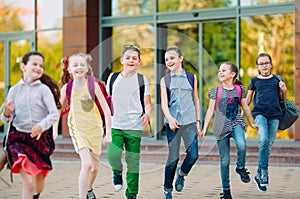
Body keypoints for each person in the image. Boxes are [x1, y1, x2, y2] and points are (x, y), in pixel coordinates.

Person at [1, 51, 60, 199]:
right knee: (28, 181)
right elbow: (5, 119)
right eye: (34, 64)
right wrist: (7, 113)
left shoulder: (44, 90)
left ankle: (35, 196)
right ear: (23, 67)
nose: (38, 68)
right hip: (18, 138)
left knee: (38, 181)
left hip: (40, 139)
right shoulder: (14, 90)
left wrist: (42, 125)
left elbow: (53, 114)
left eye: (41, 65)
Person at [54, 53, 112, 199]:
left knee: (94, 167)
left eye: (82, 65)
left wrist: (108, 133)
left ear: (87, 68)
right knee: (86, 164)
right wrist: (54, 129)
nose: (79, 67)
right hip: (78, 129)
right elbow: (58, 110)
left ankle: (89, 189)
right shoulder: (67, 88)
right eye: (75, 65)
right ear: (69, 69)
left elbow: (106, 110)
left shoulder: (93, 84)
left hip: (95, 128)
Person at [199, 62, 258, 199]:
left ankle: (240, 167)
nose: (220, 72)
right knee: (224, 161)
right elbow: (209, 110)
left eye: (223, 70)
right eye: (219, 71)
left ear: (232, 74)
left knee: (242, 144)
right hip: (220, 127)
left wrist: (251, 123)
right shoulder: (216, 91)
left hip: (236, 122)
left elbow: (245, 107)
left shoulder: (239, 90)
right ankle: (226, 191)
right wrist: (204, 128)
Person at [106, 44, 152, 199]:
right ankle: (117, 172)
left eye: (134, 58)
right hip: (116, 124)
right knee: (113, 155)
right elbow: (106, 101)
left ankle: (132, 194)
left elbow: (147, 103)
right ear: (122, 60)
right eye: (128, 58)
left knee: (133, 162)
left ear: (139, 62)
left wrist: (147, 113)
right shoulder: (112, 77)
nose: (131, 60)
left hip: (134, 126)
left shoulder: (141, 79)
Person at [160, 47, 200, 199]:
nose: (169, 61)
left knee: (193, 155)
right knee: (173, 157)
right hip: (173, 124)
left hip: (190, 122)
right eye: (167, 59)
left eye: (172, 58)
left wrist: (197, 121)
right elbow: (164, 103)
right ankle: (167, 190)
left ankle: (181, 173)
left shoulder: (191, 77)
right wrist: (170, 118)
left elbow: (195, 99)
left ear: (180, 59)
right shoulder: (165, 80)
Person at [245, 53, 286, 192]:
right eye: (261, 64)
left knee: (268, 145)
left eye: (267, 63)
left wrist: (284, 90)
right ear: (257, 66)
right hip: (260, 114)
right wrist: (240, 116)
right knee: (263, 140)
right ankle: (264, 171)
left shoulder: (277, 80)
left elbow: (282, 100)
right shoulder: (254, 80)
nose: (264, 66)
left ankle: (258, 174)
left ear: (271, 64)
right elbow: (248, 100)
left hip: (275, 115)